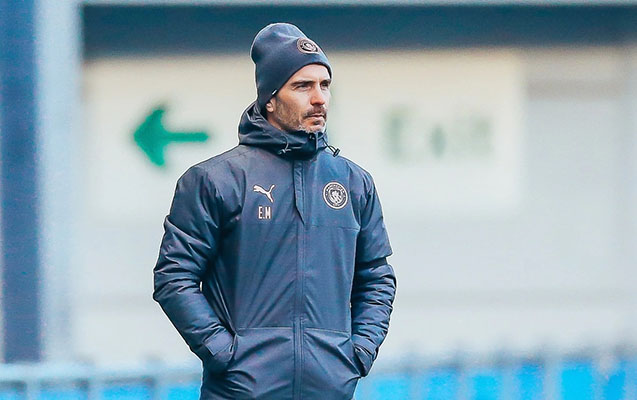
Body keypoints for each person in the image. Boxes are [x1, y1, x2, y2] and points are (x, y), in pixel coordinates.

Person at [153, 22, 396, 400]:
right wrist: (224, 353)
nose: (319, 98)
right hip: (239, 389)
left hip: (328, 389)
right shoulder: (214, 180)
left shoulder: (353, 183)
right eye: (303, 86)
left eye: (325, 85)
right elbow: (174, 277)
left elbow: (377, 277)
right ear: (270, 98)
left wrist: (358, 352)